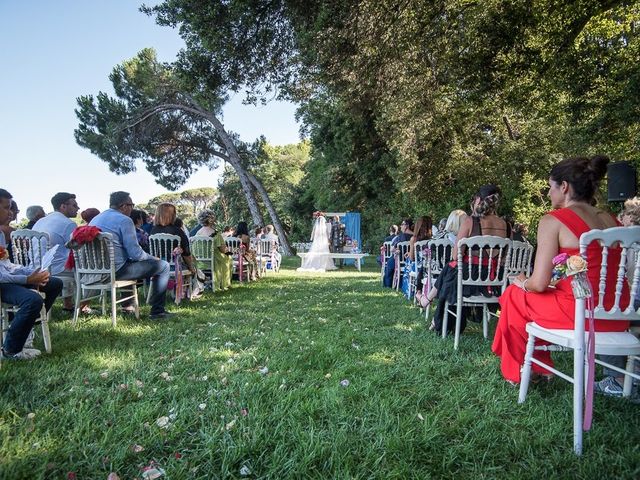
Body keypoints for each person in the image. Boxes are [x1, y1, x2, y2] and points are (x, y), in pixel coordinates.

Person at [492, 156, 630, 385]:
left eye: (550, 187)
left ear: (564, 187)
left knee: (514, 296)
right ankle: (538, 368)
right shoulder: (611, 219)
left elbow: (538, 284)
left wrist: (522, 282)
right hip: (619, 313)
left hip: (582, 312)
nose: (548, 194)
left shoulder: (553, 220)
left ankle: (525, 371)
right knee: (519, 298)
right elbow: (594, 269)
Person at [423, 185, 511, 332]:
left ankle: (431, 305)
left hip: (469, 281)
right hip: (495, 281)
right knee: (450, 270)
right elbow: (503, 258)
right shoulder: (505, 225)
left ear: (478, 200)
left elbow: (455, 254)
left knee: (450, 268)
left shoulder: (471, 221)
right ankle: (429, 301)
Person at [0, 188, 63, 360]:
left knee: (54, 283)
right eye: (7, 208)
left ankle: (23, 330)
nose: (11, 212)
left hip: (6, 280)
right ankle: (10, 350)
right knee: (32, 299)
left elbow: (6, 265)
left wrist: (33, 272)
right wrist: (28, 279)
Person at [90, 191, 172, 319]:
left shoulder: (96, 219)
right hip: (116, 270)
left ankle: (127, 306)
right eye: (131, 205)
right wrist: (153, 258)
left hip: (96, 270)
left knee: (127, 261)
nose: (132, 208)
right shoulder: (124, 220)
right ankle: (158, 311)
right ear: (124, 206)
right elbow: (136, 254)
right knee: (163, 266)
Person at [32, 192, 81, 311]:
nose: (78, 208)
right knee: (88, 268)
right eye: (74, 205)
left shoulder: (40, 221)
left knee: (62, 257)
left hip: (35, 267)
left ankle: (68, 304)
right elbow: (77, 249)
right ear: (63, 206)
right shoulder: (68, 223)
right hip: (55, 269)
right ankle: (83, 305)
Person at [150, 204, 198, 276]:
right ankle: (183, 287)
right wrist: (192, 268)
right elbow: (186, 254)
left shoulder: (153, 231)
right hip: (174, 267)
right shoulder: (178, 231)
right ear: (173, 215)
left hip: (156, 266)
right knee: (192, 268)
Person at [193, 209, 232, 290]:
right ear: (212, 220)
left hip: (198, 261)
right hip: (213, 261)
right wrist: (228, 251)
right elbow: (222, 250)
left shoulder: (197, 234)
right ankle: (224, 283)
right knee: (228, 259)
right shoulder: (216, 233)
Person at [383, 219, 414, 287]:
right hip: (412, 260)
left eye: (402, 224)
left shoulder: (400, 236)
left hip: (399, 260)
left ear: (407, 226)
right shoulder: (416, 237)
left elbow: (391, 249)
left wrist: (395, 250)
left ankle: (388, 284)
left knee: (389, 264)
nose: (400, 226)